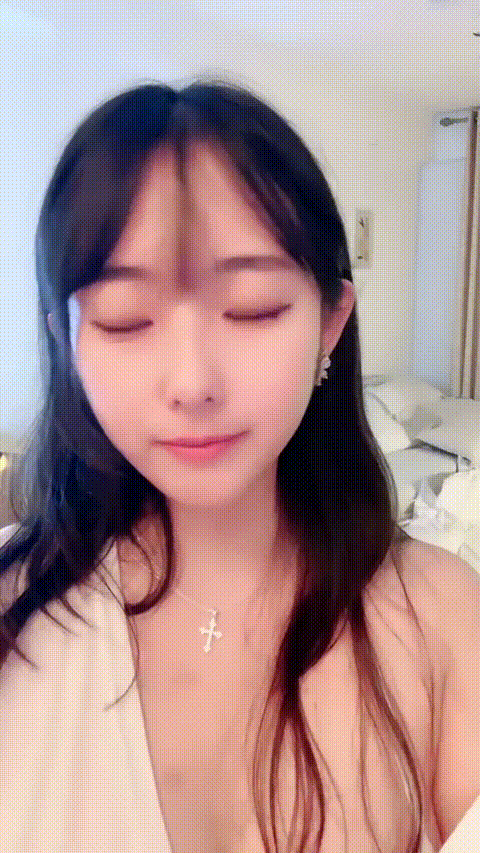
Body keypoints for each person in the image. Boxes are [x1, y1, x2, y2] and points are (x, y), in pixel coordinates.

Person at [0, 78, 478, 853]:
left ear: (330, 322)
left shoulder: (445, 615)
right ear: (68, 342)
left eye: (253, 308)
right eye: (125, 321)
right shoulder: (14, 609)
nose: (192, 383)